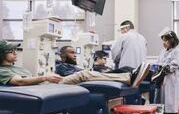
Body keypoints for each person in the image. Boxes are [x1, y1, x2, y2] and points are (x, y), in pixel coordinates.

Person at [0, 40, 149, 87]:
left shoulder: (18, 67)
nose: (14, 53)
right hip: (48, 87)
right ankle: (130, 77)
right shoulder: (2, 71)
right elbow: (19, 82)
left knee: (89, 73)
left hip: (47, 86)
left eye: (15, 50)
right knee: (85, 74)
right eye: (10, 51)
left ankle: (134, 76)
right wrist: (45, 77)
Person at [156, 28, 179, 114]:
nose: (164, 43)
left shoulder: (178, 52)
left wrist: (162, 67)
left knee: (172, 105)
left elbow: (172, 66)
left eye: (166, 41)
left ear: (172, 40)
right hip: (164, 81)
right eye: (163, 41)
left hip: (172, 81)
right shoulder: (163, 51)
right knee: (164, 104)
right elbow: (158, 62)